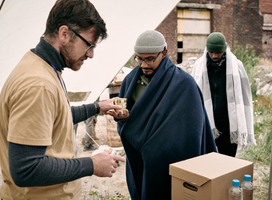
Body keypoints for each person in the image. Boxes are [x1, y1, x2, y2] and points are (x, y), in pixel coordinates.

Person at [0, 1, 125, 199]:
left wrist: (96, 107)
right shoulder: (38, 85)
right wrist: (91, 164)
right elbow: (26, 169)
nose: (91, 54)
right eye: (89, 45)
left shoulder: (43, 66)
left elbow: (56, 116)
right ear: (64, 34)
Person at [108, 30, 217, 200]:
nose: (144, 65)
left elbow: (192, 129)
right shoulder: (130, 81)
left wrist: (158, 147)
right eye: (139, 58)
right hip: (138, 155)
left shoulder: (183, 83)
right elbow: (130, 120)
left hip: (171, 160)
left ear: (164, 53)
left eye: (150, 59)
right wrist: (121, 118)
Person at [191, 32, 256, 157]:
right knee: (206, 160)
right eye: (211, 52)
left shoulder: (237, 66)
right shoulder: (199, 66)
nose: (214, 56)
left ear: (224, 50)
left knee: (227, 162)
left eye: (218, 52)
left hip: (228, 124)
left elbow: (245, 94)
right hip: (206, 122)